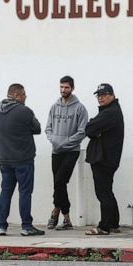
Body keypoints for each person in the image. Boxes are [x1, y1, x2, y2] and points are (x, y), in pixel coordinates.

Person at [0, 83, 43, 236]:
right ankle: (26, 226)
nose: (25, 97)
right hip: (23, 159)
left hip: (4, 159)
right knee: (25, 192)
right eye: (23, 94)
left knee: (6, 192)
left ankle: (2, 225)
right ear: (15, 95)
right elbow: (37, 128)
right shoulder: (24, 111)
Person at [44, 76, 88, 230]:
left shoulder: (80, 108)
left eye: (66, 87)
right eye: (61, 87)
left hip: (71, 151)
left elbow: (82, 132)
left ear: (72, 88)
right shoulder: (54, 107)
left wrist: (66, 142)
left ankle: (56, 212)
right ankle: (67, 219)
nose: (63, 90)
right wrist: (54, 140)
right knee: (59, 183)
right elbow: (48, 128)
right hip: (56, 150)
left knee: (60, 181)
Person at [84, 83, 124, 236]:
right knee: (107, 191)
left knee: (103, 193)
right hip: (107, 158)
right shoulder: (110, 111)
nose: (100, 98)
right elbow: (92, 129)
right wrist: (95, 128)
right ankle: (113, 223)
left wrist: (95, 128)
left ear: (112, 95)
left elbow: (89, 129)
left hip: (103, 159)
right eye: (98, 95)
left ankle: (104, 226)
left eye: (104, 95)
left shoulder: (110, 112)